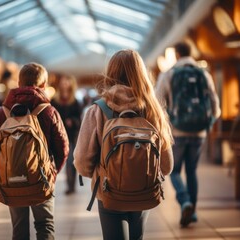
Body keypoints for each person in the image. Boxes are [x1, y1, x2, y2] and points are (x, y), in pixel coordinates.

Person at [74, 49, 174, 240]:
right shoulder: (153, 109)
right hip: (144, 191)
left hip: (108, 192)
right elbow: (167, 166)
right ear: (141, 73)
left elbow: (81, 161)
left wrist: (101, 173)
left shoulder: (98, 110)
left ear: (111, 73)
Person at [0, 62, 69, 240]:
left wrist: (6, 170)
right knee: (45, 225)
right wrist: (52, 173)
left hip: (11, 181)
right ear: (44, 85)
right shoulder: (49, 112)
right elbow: (63, 148)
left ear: (18, 83)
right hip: (41, 180)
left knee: (19, 228)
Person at [155, 42, 221, 227]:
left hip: (177, 130)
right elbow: (214, 102)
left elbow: (158, 104)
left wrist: (165, 126)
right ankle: (193, 212)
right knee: (192, 170)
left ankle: (185, 202)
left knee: (174, 171)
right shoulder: (203, 74)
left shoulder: (169, 74)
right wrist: (210, 121)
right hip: (199, 131)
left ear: (176, 54)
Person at [51, 74, 82, 195]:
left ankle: (71, 185)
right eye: (63, 81)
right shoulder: (54, 100)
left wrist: (73, 121)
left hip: (70, 136)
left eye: (66, 81)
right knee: (55, 162)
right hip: (57, 136)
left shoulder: (75, 101)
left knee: (70, 162)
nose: (64, 83)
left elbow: (79, 120)